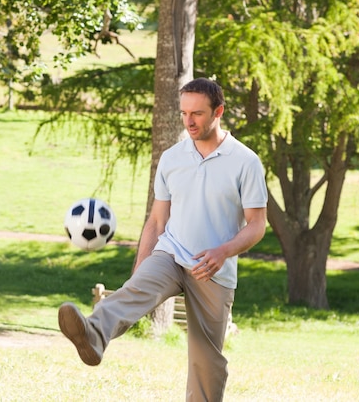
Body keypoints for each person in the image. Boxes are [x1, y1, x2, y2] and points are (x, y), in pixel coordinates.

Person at [58, 78, 268, 401]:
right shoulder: (172, 159)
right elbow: (157, 222)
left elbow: (257, 225)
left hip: (212, 269)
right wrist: (139, 271)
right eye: (184, 113)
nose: (189, 121)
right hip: (171, 252)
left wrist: (223, 252)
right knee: (135, 291)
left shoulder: (245, 162)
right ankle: (94, 334)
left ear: (219, 112)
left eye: (197, 113)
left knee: (206, 361)